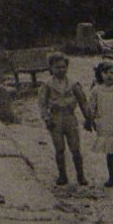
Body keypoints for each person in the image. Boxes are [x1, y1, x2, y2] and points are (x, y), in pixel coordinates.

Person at [37, 52, 90, 186]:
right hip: (55, 119)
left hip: (70, 118)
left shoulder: (73, 84)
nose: (61, 70)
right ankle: (62, 176)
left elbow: (83, 101)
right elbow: (42, 104)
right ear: (51, 68)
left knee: (75, 148)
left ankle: (81, 175)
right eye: (57, 67)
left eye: (63, 67)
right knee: (59, 149)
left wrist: (88, 117)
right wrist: (46, 118)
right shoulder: (47, 85)